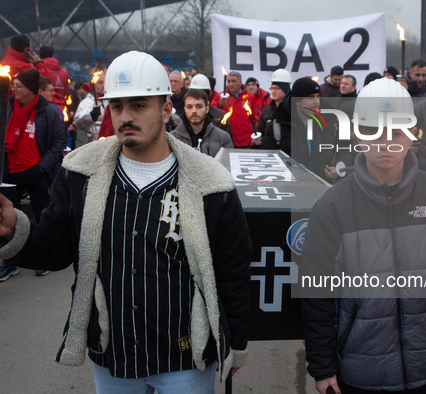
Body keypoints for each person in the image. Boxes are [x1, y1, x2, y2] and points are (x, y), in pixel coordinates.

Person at [0, 51, 251, 392]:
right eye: (116, 106)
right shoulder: (80, 174)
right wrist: (15, 230)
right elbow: (56, 248)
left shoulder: (210, 183)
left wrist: (235, 344)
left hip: (185, 360)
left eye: (138, 105)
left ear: (165, 110)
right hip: (112, 359)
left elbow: (232, 270)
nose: (125, 116)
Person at [301, 78, 426, 394]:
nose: (385, 143)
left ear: (412, 134)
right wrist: (322, 366)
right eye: (374, 131)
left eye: (396, 132)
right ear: (358, 133)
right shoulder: (332, 206)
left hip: (425, 363)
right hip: (360, 368)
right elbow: (317, 294)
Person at [0, 69, 65, 281]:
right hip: (10, 174)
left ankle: (40, 257)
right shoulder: (7, 107)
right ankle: (10, 262)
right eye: (14, 86)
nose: (14, 90)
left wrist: (41, 168)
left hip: (37, 172)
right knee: (9, 219)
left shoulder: (49, 111)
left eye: (18, 86)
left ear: (31, 89)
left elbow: (57, 144)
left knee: (41, 213)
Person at [170, 88, 233, 157]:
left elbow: (228, 165)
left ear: (207, 109)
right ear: (185, 109)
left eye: (199, 106)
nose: (194, 111)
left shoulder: (223, 138)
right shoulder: (173, 138)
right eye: (189, 107)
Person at [211, 71, 258, 148]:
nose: (230, 84)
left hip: (246, 141)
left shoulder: (250, 96)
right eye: (229, 81)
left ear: (240, 82)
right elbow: (213, 116)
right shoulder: (220, 97)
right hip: (226, 140)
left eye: (233, 81)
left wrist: (254, 136)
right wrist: (219, 105)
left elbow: (256, 118)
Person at [256, 68, 291, 136]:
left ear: (285, 89)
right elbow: (260, 132)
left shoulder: (293, 109)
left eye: (277, 88)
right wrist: (257, 140)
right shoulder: (266, 111)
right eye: (272, 88)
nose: (273, 91)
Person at [73, 72, 105, 143]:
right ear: (94, 84)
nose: (104, 85)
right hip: (95, 144)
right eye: (100, 82)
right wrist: (91, 115)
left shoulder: (112, 100)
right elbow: (76, 123)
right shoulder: (86, 103)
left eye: (106, 82)